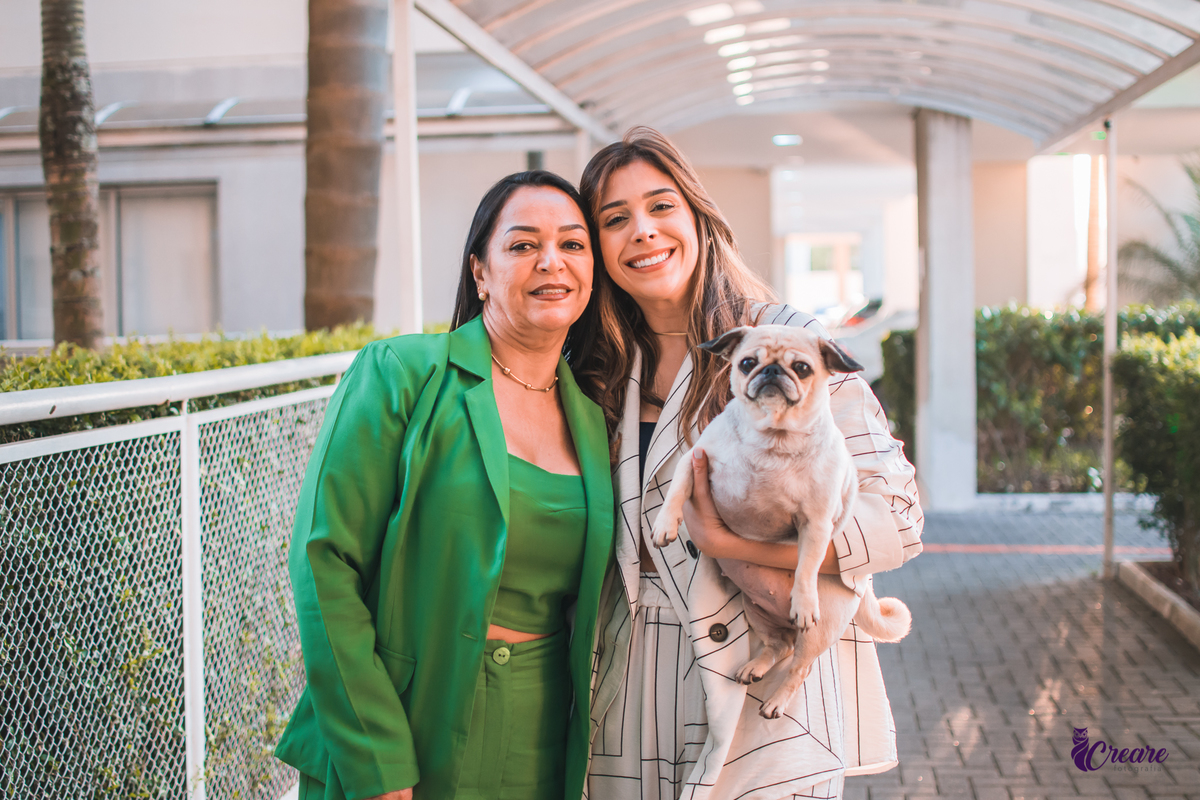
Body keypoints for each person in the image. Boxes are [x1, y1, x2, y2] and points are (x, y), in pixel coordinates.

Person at [577, 128, 924, 800]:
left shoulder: (791, 341)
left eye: (660, 207)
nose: (642, 232)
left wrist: (728, 544)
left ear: (699, 218)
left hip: (764, 674)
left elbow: (898, 519)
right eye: (615, 220)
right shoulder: (598, 367)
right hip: (628, 674)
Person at [274, 170, 615, 800]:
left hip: (540, 743)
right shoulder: (402, 374)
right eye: (521, 245)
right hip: (405, 722)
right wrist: (377, 761)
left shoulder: (596, 420)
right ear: (480, 273)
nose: (551, 262)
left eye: (572, 245)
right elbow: (324, 562)